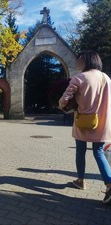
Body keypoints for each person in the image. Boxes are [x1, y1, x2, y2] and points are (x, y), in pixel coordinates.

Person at [59, 50, 111, 204]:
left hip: (83, 121)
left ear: (86, 60)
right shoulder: (106, 78)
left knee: (80, 151)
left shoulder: (80, 78)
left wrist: (61, 106)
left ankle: (81, 181)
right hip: (103, 122)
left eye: (79, 60)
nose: (77, 63)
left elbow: (65, 98)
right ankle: (108, 183)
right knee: (99, 152)